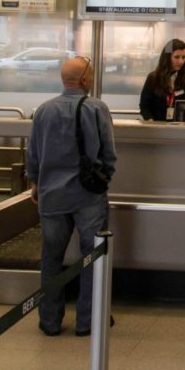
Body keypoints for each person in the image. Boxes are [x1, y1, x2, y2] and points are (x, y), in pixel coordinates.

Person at [26, 57, 117, 337]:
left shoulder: (43, 111)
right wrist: (105, 179)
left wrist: (35, 184)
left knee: (51, 257)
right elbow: (108, 154)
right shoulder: (96, 108)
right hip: (87, 196)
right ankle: (88, 321)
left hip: (51, 195)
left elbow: (33, 154)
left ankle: (50, 320)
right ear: (85, 80)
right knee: (93, 256)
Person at [139, 38, 185, 121]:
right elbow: (144, 106)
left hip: (180, 128)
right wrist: (150, 122)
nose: (181, 61)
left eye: (184, 57)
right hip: (157, 128)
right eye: (176, 57)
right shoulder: (153, 78)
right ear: (167, 58)